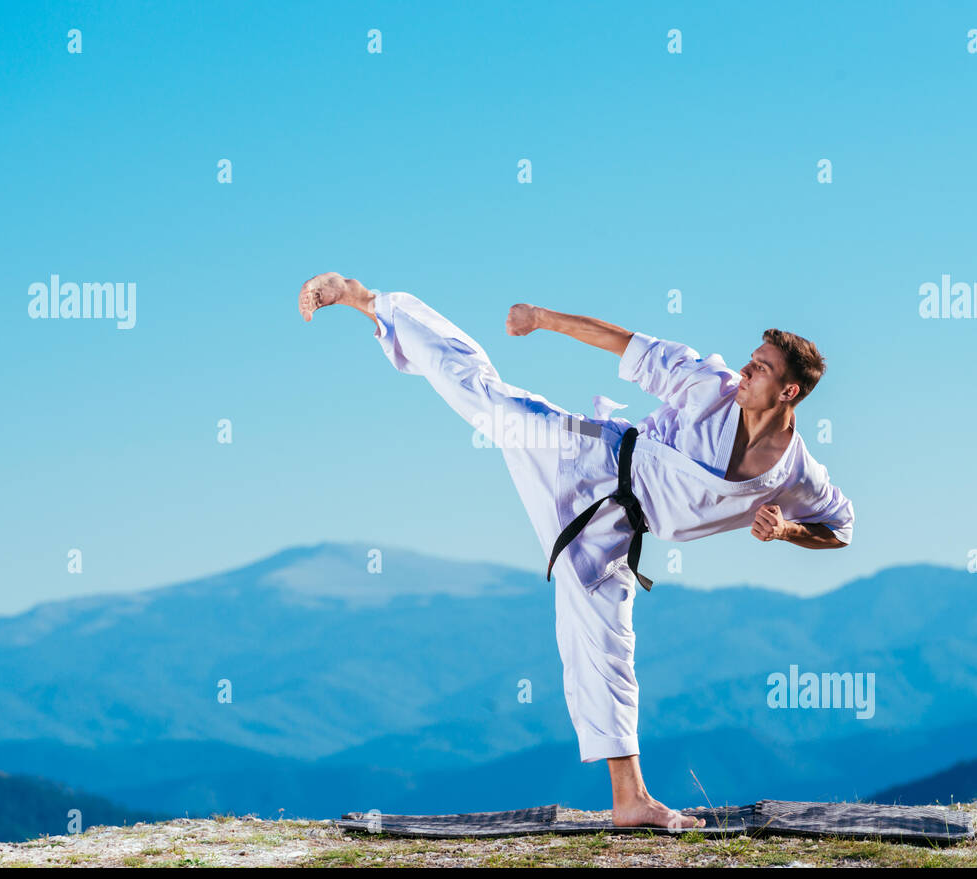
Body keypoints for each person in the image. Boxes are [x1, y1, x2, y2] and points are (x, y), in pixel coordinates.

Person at [299, 272, 855, 829]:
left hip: (612, 531)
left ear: (789, 392)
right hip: (586, 456)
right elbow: (626, 342)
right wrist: (541, 318)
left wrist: (786, 531)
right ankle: (370, 302)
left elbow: (839, 528)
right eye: (751, 358)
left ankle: (630, 800)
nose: (746, 369)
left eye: (761, 368)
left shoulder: (797, 474)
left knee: (609, 646)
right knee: (491, 403)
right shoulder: (710, 385)